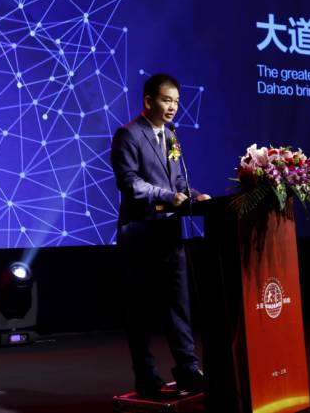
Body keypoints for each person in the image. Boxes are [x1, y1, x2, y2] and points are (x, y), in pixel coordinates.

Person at [110, 73, 211, 398]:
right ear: (148, 100)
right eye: (167, 100)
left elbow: (177, 182)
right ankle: (146, 376)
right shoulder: (128, 135)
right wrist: (168, 197)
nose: (173, 107)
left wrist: (194, 196)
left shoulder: (171, 136)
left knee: (178, 305)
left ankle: (188, 370)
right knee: (140, 310)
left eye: (177, 102)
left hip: (169, 234)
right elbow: (130, 183)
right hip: (140, 236)